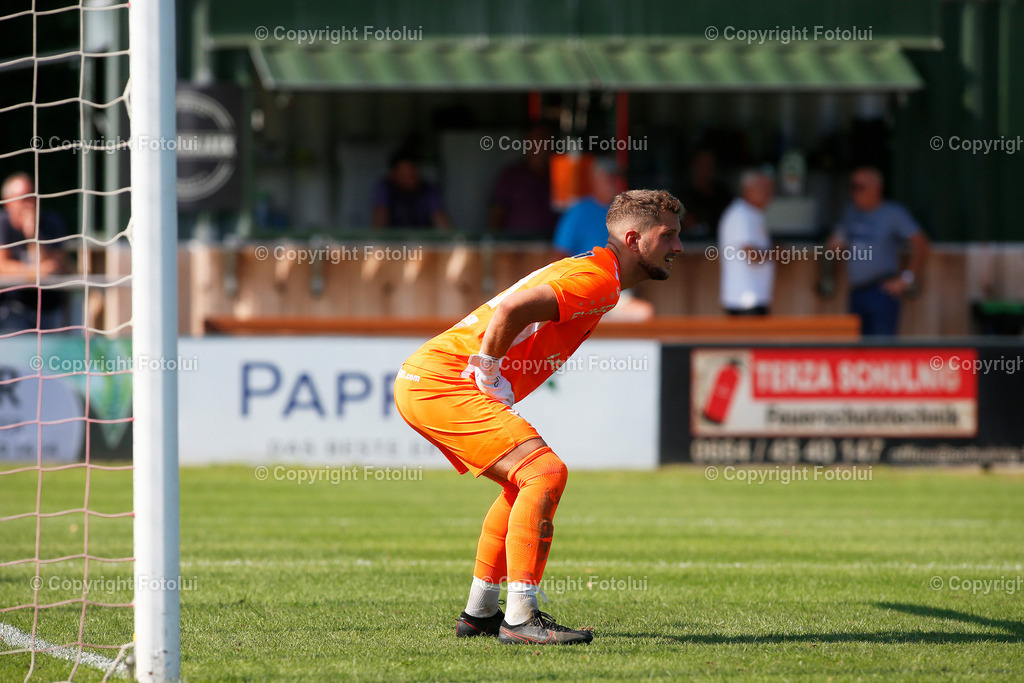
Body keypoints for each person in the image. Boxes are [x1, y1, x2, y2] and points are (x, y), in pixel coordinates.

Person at [394, 190, 684, 645]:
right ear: (633, 238)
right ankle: (520, 618)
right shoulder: (597, 280)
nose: (678, 247)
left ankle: (481, 613)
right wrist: (487, 370)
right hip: (441, 381)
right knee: (545, 473)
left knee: (522, 482)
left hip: (426, 378)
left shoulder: (593, 272)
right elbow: (510, 310)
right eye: (668, 235)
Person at [829, 167, 929, 336]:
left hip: (882, 291)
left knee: (881, 350)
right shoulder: (850, 213)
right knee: (857, 351)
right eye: (851, 187)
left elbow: (921, 244)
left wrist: (906, 279)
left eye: (860, 187)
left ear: (876, 188)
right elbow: (838, 246)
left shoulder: (893, 213)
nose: (855, 193)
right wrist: (835, 248)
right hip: (856, 290)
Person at [552, 159, 654, 321]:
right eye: (608, 177)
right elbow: (560, 257)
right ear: (594, 179)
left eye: (615, 177)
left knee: (644, 313)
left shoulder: (626, 213)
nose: (614, 182)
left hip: (615, 293)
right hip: (583, 291)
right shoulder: (577, 212)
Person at [0, 173, 69, 332]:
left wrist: (33, 235)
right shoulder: (2, 223)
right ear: (8, 202)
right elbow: (2, 265)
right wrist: (34, 271)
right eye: (24, 198)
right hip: (13, 307)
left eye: (33, 196)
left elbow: (55, 266)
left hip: (49, 306)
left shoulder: (51, 222)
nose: (30, 203)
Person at [717, 170, 775, 315]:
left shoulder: (751, 213)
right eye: (764, 189)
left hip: (753, 297)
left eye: (770, 189)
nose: (769, 194)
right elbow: (752, 254)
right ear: (748, 189)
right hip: (744, 300)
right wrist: (777, 253)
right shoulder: (740, 214)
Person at [487, 123, 559, 239]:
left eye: (546, 141)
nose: (541, 146)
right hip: (516, 247)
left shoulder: (559, 177)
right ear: (527, 143)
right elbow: (497, 216)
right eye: (537, 140)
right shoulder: (510, 176)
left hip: (553, 245)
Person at [371, 150, 450, 229]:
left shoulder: (428, 190)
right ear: (393, 175)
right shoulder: (386, 188)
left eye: (413, 173)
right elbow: (380, 220)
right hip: (395, 240)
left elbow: (440, 218)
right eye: (405, 174)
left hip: (422, 239)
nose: (410, 178)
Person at [680, 148, 732, 239]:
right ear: (693, 165)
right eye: (702, 164)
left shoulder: (723, 193)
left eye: (710, 164)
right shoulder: (682, 194)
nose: (706, 168)